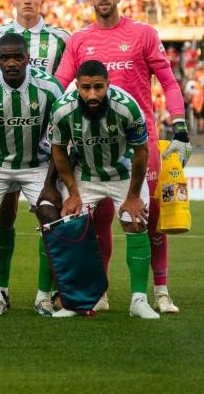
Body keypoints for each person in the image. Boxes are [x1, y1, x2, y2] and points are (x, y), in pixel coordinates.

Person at [55, 0, 192, 314]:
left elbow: (169, 83)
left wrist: (179, 126)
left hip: (140, 144)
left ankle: (159, 290)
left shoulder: (143, 34)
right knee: (98, 219)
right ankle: (99, 292)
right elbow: (58, 83)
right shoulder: (79, 39)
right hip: (94, 146)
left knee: (150, 215)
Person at [0, 0, 70, 315]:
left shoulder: (61, 39)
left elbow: (70, 82)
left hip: (40, 151)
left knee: (52, 215)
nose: (28, 1)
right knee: (0, 215)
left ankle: (46, 294)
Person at [0, 33, 64, 317]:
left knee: (52, 217)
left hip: (37, 163)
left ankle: (43, 296)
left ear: (28, 57)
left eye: (18, 57)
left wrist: (50, 184)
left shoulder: (50, 87)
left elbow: (60, 139)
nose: (12, 63)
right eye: (5, 58)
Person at [49, 60, 159, 319]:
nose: (92, 95)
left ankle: (139, 301)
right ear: (77, 86)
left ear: (108, 85)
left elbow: (142, 152)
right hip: (85, 175)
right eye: (86, 88)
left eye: (99, 87)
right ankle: (81, 301)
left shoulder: (127, 107)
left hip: (122, 173)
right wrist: (73, 193)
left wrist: (133, 197)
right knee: (73, 226)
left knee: (136, 222)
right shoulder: (62, 110)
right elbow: (58, 149)